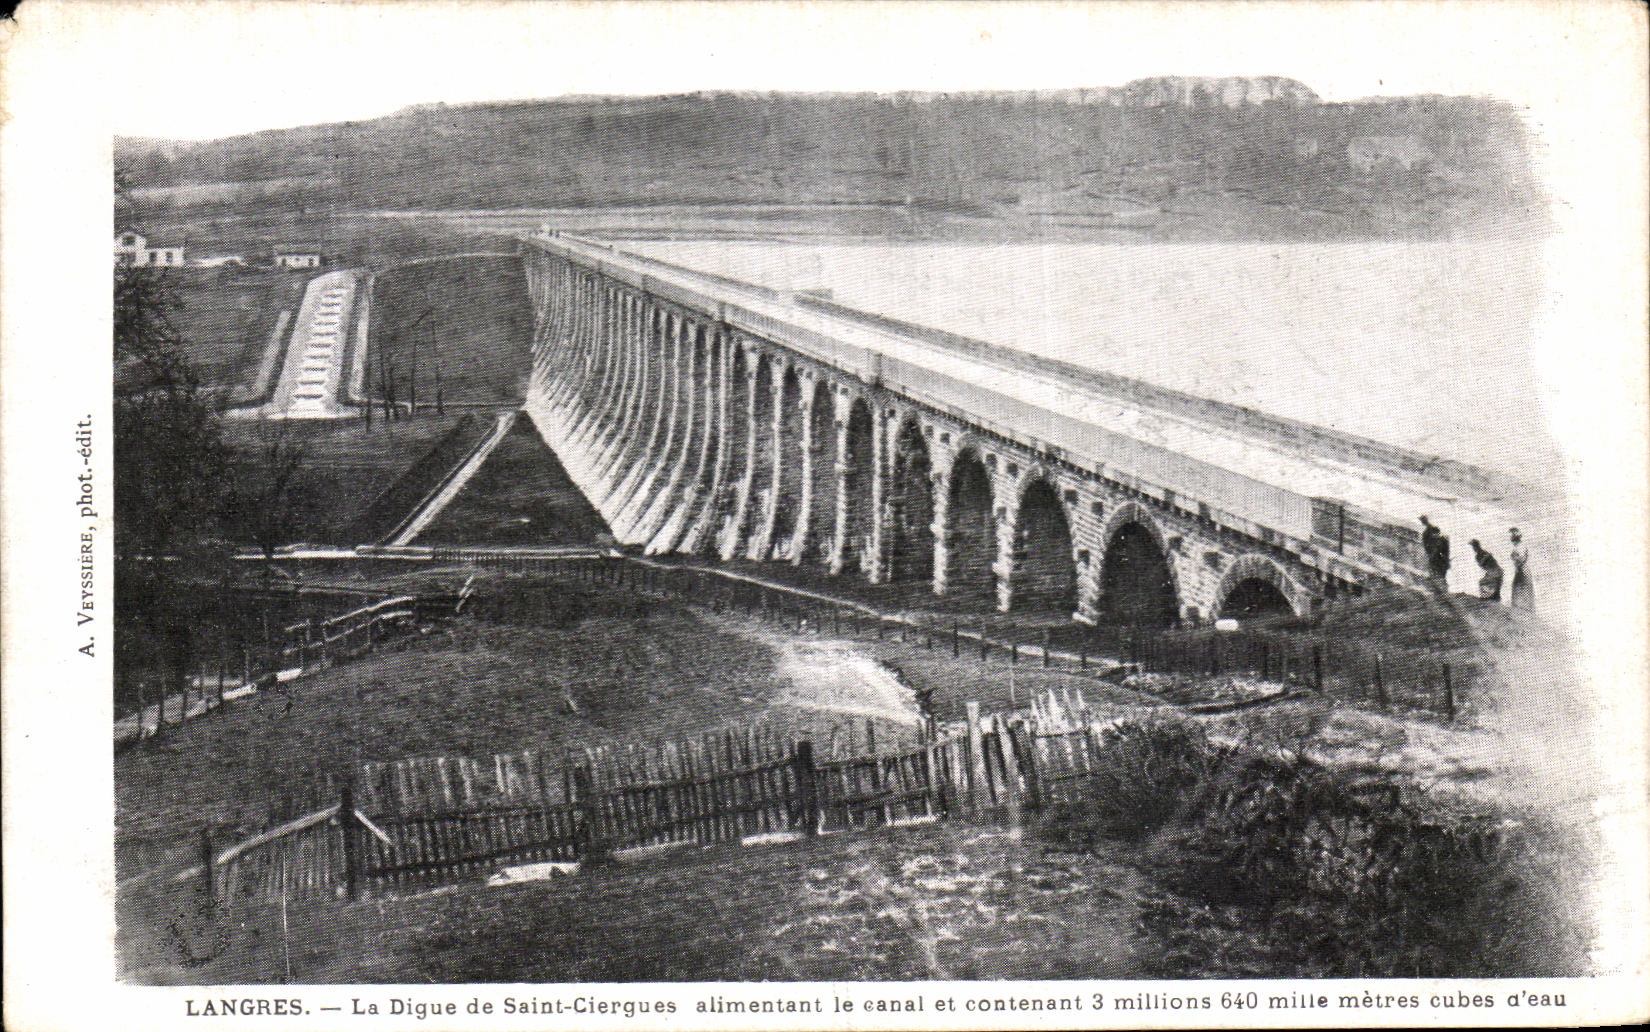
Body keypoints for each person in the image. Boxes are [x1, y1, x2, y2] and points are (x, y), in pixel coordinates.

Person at [1419, 516, 1450, 593]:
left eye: (1422, 520)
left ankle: (1439, 591)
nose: (1422, 522)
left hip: (1436, 557)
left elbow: (1428, 546)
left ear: (1424, 521)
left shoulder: (1427, 532)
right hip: (1439, 558)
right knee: (1439, 575)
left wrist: (1432, 554)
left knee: (1436, 574)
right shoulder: (1432, 531)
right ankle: (1441, 591)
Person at [1508, 527, 1533, 609]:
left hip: (1523, 571)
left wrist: (1515, 558)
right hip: (1519, 571)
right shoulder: (1517, 546)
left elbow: (1521, 559)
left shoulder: (1521, 546)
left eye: (1512, 535)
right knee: (1517, 590)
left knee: (1523, 591)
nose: (1510, 538)